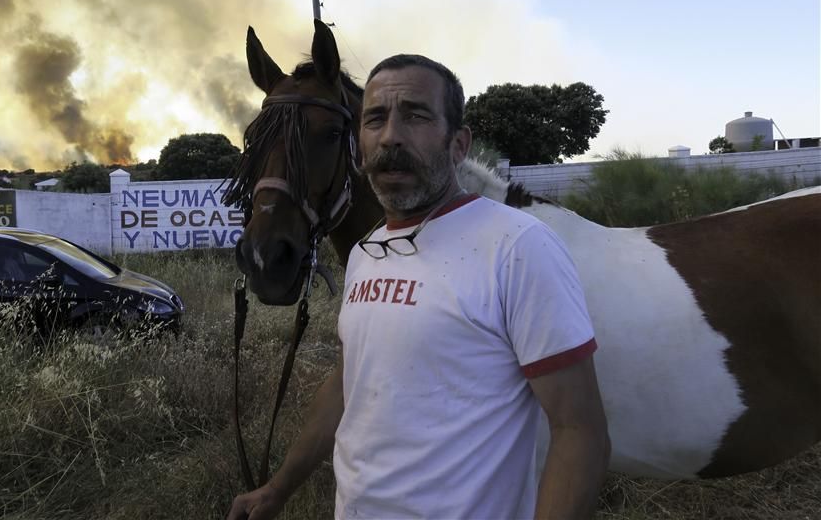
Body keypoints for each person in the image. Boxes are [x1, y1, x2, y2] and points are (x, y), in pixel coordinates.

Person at [228, 55, 610, 520]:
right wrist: (278, 488)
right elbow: (349, 384)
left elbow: (580, 432)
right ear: (360, 145)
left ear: (458, 144)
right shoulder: (368, 252)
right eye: (375, 119)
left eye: (416, 115)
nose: (390, 135)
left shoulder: (518, 246)